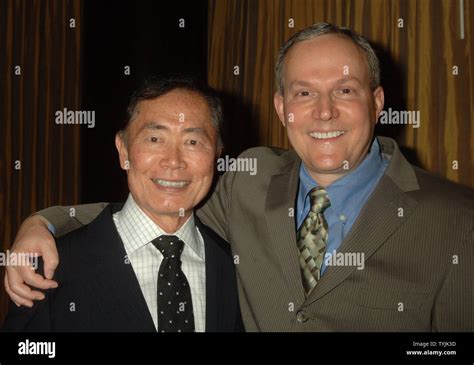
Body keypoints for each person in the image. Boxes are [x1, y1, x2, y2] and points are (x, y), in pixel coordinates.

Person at [5, 23, 473, 332]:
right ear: (281, 107)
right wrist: (45, 223)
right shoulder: (249, 182)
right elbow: (160, 206)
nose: (324, 111)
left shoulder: (458, 222)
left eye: (345, 91)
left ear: (376, 103)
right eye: (304, 92)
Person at [2, 76, 243, 332]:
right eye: (154, 139)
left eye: (192, 142)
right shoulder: (51, 267)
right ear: (123, 151)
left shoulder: (237, 270)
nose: (174, 161)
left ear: (216, 155)